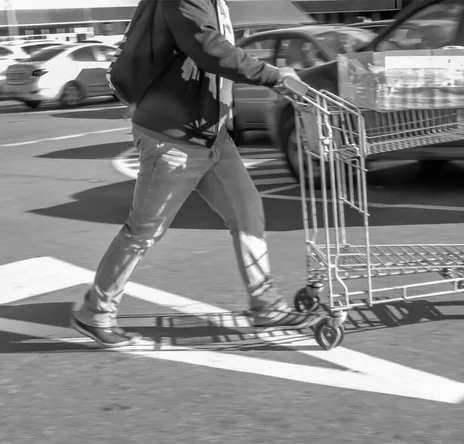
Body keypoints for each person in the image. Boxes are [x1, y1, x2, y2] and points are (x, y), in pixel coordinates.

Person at [70, 0, 324, 348]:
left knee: (247, 211)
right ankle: (95, 311)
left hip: (212, 135)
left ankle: (265, 303)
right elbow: (207, 48)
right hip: (171, 136)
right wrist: (274, 77)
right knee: (144, 229)